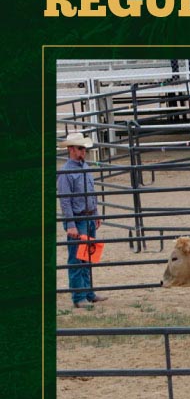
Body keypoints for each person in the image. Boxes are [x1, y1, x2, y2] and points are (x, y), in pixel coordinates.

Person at [57, 132, 108, 309]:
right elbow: (65, 201)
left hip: (88, 217)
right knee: (77, 259)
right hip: (78, 219)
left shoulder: (84, 167)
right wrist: (71, 224)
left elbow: (91, 193)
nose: (83, 151)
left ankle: (87, 293)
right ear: (71, 149)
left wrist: (95, 213)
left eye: (84, 148)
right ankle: (79, 296)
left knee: (87, 256)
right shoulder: (66, 172)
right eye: (80, 148)